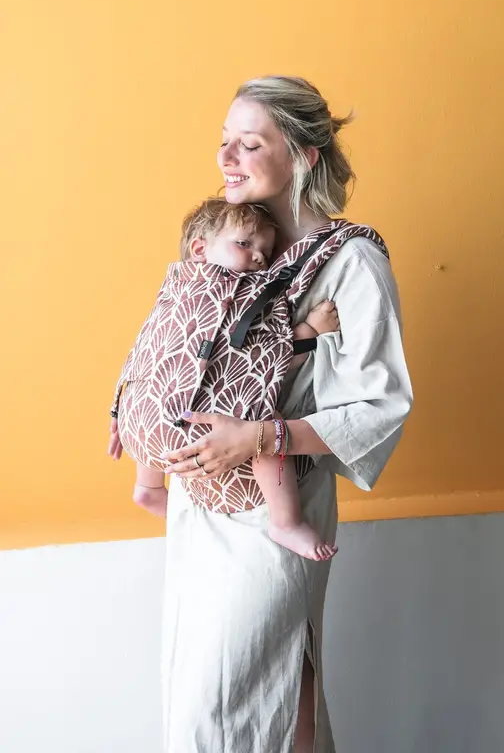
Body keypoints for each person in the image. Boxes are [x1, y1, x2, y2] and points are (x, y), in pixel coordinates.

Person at [108, 76, 412, 753]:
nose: (226, 158)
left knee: (237, 695)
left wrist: (260, 435)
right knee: (251, 688)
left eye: (249, 143)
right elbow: (179, 340)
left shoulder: (352, 262)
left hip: (275, 511)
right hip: (198, 502)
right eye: (224, 142)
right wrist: (137, 407)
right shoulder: (225, 244)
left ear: (302, 155)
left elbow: (380, 403)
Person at [129, 196, 340, 562]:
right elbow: (261, 360)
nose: (258, 257)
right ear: (200, 249)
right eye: (244, 243)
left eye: (266, 252)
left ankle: (147, 486)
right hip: (200, 430)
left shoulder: (175, 288)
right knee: (265, 431)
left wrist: (122, 409)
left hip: (144, 427)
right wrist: (309, 331)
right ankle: (285, 521)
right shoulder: (241, 294)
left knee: (161, 394)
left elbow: (149, 347)